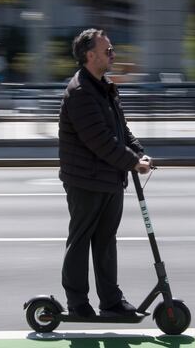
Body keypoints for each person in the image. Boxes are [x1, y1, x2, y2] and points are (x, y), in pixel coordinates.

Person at [58, 28, 153, 318]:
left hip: (110, 178)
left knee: (106, 242)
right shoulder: (80, 92)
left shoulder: (104, 87)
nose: (113, 54)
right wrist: (131, 163)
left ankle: (111, 300)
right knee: (81, 241)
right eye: (108, 50)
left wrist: (138, 152)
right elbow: (100, 140)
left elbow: (121, 130)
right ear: (90, 55)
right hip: (85, 181)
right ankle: (77, 303)